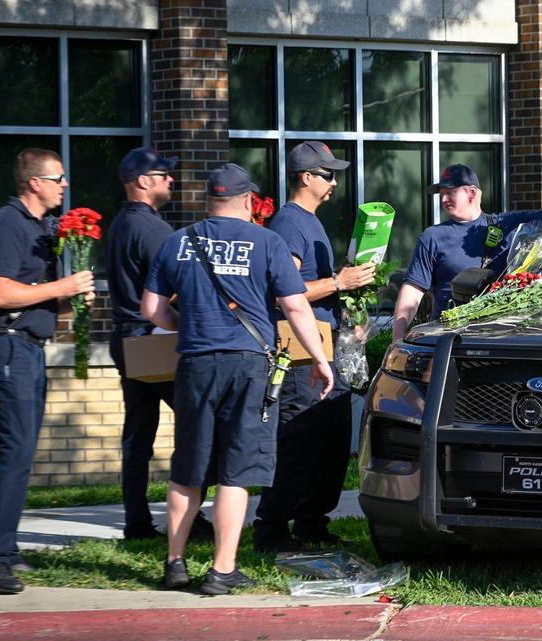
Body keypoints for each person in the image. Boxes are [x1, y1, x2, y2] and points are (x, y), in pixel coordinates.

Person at [142, 163, 334, 595]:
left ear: (210, 199)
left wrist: (189, 324)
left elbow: (151, 310)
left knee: (189, 468)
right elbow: (297, 308)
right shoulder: (267, 242)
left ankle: (175, 564)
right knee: (236, 469)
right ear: (249, 201)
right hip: (248, 365)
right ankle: (221, 570)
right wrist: (321, 359)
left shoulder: (178, 242)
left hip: (194, 364)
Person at [0, 148, 96, 593]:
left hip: (28, 348)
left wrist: (69, 299)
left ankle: (3, 548)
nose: (64, 185)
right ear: (34, 183)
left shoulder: (40, 228)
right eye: (58, 178)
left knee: (22, 453)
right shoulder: (8, 224)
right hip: (7, 347)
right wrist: (63, 286)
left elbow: (32, 294)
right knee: (16, 450)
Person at [252, 141, 374, 552]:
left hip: (326, 347)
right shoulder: (288, 224)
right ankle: (271, 528)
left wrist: (349, 311)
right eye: (328, 174)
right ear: (306, 177)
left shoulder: (310, 222)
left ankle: (311, 522)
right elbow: (282, 292)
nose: (335, 181)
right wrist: (339, 282)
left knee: (331, 442)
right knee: (299, 440)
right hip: (301, 353)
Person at [107, 146, 214, 541]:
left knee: (138, 434)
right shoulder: (153, 230)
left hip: (127, 339)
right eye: (163, 173)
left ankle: (137, 522)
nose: (171, 179)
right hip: (153, 339)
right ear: (142, 182)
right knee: (201, 424)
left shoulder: (122, 223)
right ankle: (188, 516)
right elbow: (180, 287)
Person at [392, 162, 542, 339]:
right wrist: (398, 338)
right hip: (448, 339)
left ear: (471, 193)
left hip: (497, 338)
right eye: (442, 194)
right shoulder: (432, 236)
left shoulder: (505, 224)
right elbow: (413, 291)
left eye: (450, 192)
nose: (444, 199)